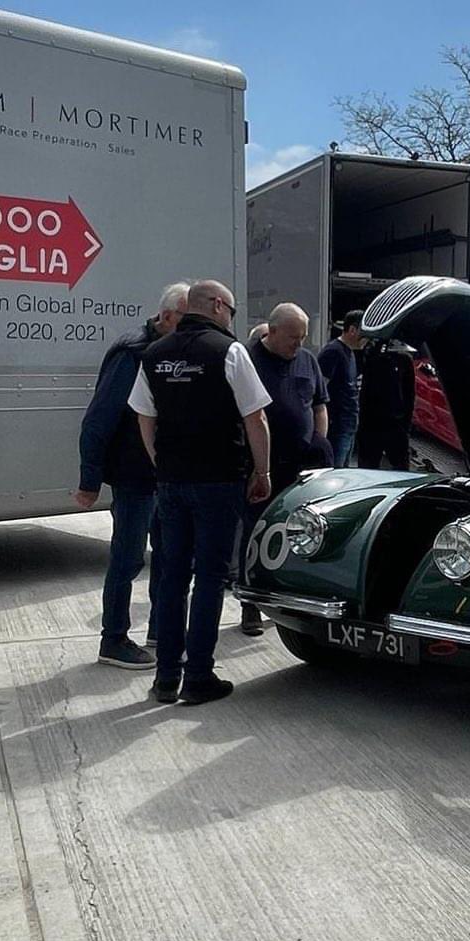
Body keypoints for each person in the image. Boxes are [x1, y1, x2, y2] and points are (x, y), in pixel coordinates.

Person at [128, 280, 273, 705]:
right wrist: (261, 470)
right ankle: (198, 677)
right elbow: (256, 418)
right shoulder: (229, 351)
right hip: (218, 480)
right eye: (231, 307)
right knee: (209, 578)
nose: (232, 316)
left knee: (172, 577)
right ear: (214, 305)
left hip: (172, 483)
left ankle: (166, 678)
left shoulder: (154, 354)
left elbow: (144, 415)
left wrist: (160, 462)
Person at [76, 281, 189, 669]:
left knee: (169, 555)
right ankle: (114, 639)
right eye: (187, 319)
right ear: (169, 315)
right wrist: (89, 479)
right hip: (134, 476)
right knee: (127, 559)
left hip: (164, 476)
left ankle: (159, 630)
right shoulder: (133, 352)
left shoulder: (172, 351)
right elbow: (99, 418)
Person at [238, 302, 331, 635]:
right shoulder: (247, 361)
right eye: (293, 337)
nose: (299, 344)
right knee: (256, 532)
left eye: (303, 337)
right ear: (272, 332)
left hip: (302, 465)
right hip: (260, 465)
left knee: (302, 530)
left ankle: (292, 598)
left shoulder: (307, 361)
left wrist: (319, 440)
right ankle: (250, 604)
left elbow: (319, 404)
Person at [357, 339, 416, 470]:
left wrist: (406, 425)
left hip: (395, 424)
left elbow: (409, 394)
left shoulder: (404, 359)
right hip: (371, 423)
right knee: (367, 468)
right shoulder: (371, 355)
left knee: (401, 468)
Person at [319, 310, 366, 467]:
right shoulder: (333, 352)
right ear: (352, 330)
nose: (368, 339)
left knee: (344, 470)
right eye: (364, 333)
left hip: (349, 423)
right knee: (334, 470)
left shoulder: (350, 353)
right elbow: (319, 389)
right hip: (337, 424)